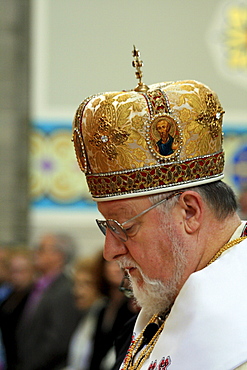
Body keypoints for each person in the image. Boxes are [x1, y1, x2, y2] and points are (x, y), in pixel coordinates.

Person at [71, 46, 247, 370]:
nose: (110, 251)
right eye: (107, 227)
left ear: (190, 212)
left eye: (124, 227)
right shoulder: (160, 305)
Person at [15, 233, 81, 370]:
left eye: (41, 249)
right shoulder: (41, 285)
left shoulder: (65, 290)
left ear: (58, 256)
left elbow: (57, 341)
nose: (35, 253)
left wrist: (30, 365)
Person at [0, 248, 35, 370]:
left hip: (25, 359)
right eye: (12, 271)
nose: (16, 276)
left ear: (32, 271)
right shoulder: (8, 296)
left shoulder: (34, 298)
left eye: (20, 271)